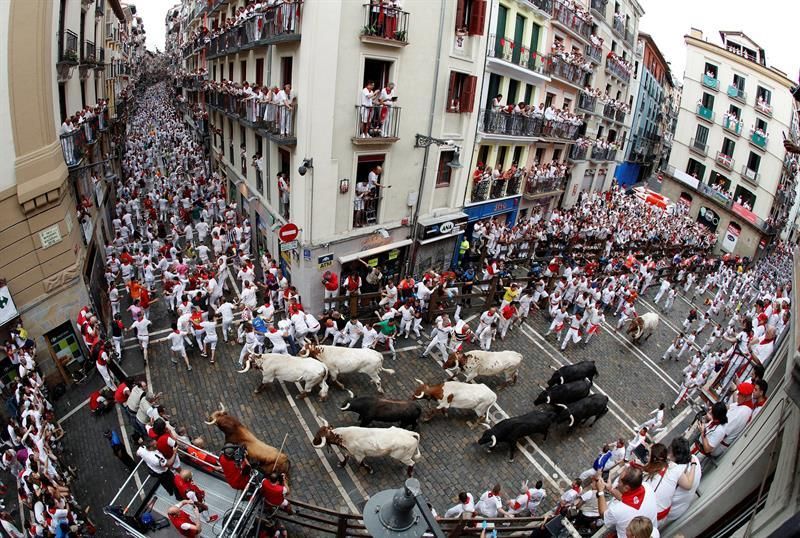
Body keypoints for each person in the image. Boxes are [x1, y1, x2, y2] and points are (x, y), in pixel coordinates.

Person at [595, 466, 659, 538]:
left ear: (626, 488)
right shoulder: (647, 487)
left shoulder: (618, 510)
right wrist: (610, 489)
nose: (617, 484)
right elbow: (627, 499)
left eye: (619, 482)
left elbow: (604, 515)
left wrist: (600, 491)